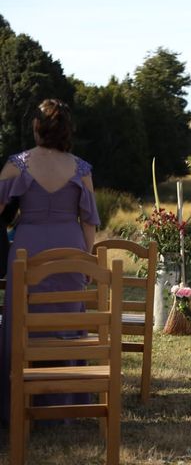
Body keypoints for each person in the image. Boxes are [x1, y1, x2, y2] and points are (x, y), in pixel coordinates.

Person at [0, 99, 100, 425]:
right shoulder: (82, 170)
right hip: (70, 254)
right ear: (68, 130)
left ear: (36, 126)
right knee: (65, 326)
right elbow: (89, 223)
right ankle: (64, 406)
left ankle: (19, 404)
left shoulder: (17, 165)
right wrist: (87, 263)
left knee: (22, 327)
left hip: (26, 254)